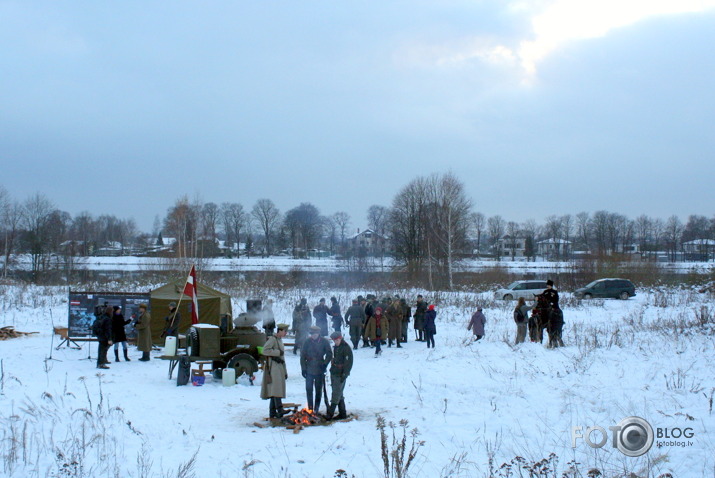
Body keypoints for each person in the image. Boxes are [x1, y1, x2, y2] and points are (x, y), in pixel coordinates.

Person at [300, 325, 332, 412]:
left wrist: (325, 364)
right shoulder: (307, 342)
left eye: (315, 334)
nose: (313, 335)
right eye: (312, 334)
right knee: (309, 389)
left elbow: (329, 354)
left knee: (319, 390)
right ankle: (310, 408)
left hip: (319, 368)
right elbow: (303, 356)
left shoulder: (324, 342)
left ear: (318, 333)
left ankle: (316, 408)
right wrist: (303, 369)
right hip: (309, 368)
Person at [261, 323, 290, 419]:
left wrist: (285, 371)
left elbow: (283, 356)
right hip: (273, 367)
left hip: (280, 366)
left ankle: (272, 413)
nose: (286, 333)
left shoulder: (279, 340)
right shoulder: (272, 339)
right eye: (285, 331)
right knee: (276, 389)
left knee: (275, 390)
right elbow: (264, 350)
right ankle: (280, 409)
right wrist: (277, 353)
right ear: (280, 331)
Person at [326, 331, 353, 420]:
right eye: (334, 340)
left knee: (336, 394)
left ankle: (330, 413)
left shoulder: (346, 348)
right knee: (339, 393)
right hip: (334, 372)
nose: (336, 342)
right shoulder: (336, 347)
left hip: (341, 373)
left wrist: (345, 374)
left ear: (341, 338)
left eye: (337, 340)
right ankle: (342, 413)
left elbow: (349, 362)